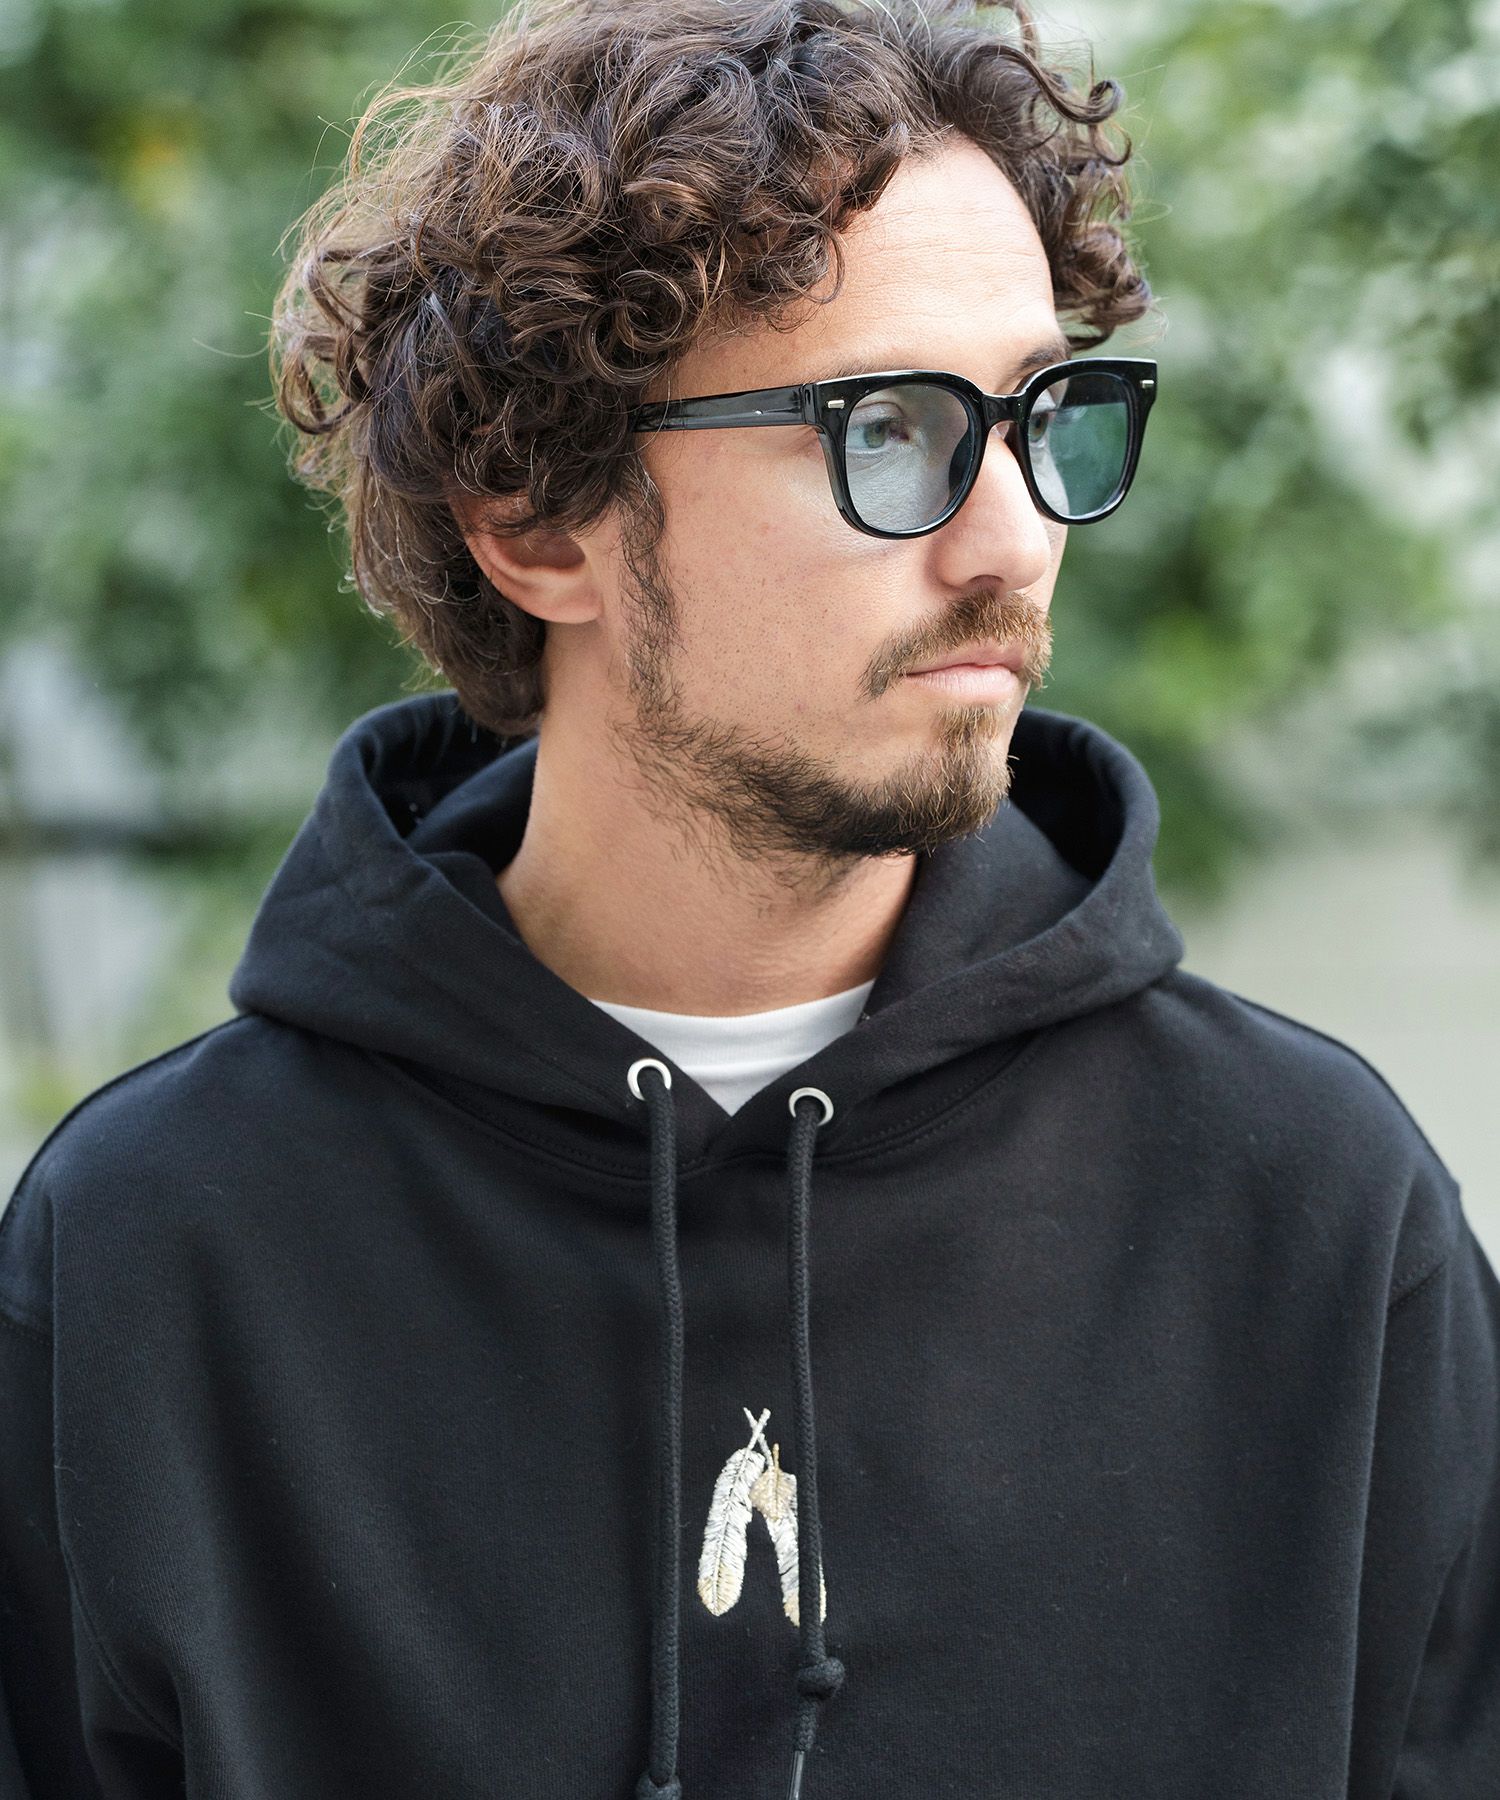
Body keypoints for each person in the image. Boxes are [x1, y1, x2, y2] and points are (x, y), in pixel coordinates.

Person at [2, 0, 1496, 1792]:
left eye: (1042, 417)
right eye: (891, 429)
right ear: (534, 522)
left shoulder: (1316, 1219)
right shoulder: (156, 1257)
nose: (1016, 540)